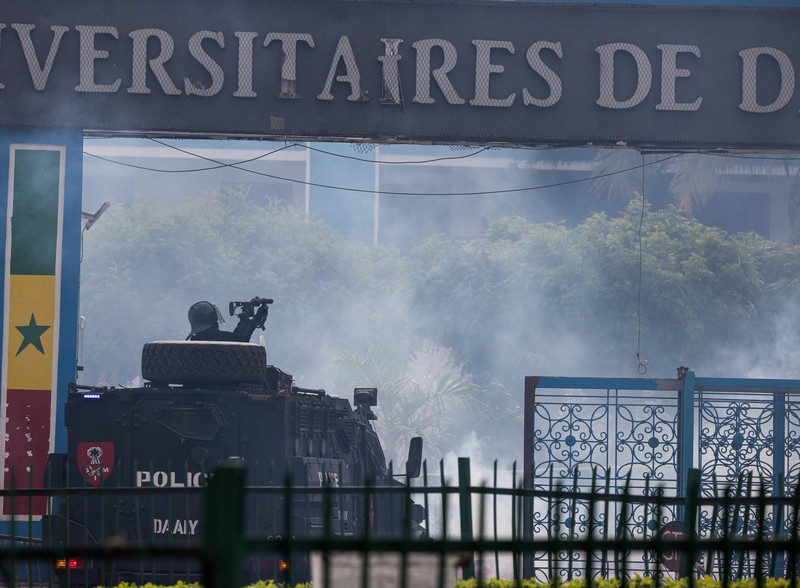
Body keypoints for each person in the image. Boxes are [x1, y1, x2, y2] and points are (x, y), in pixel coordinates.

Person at [186, 300, 267, 342]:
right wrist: (245, 319)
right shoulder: (218, 339)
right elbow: (237, 341)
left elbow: (241, 344)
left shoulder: (194, 342)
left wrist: (253, 322)